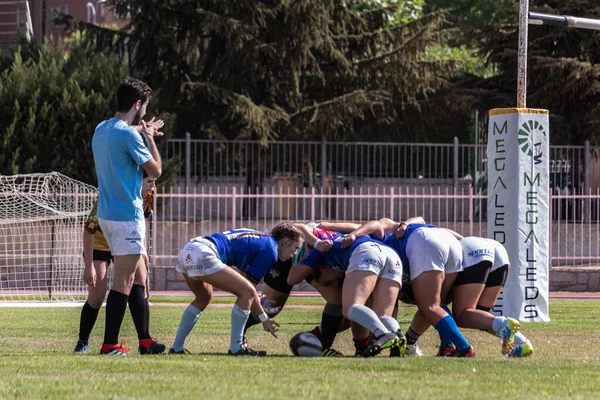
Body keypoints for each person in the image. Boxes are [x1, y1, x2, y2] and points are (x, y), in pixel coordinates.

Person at [92, 77, 162, 355]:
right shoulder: (131, 135)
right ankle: (110, 344)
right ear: (137, 104)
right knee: (123, 281)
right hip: (126, 217)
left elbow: (124, 129)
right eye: (144, 106)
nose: (145, 110)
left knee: (139, 277)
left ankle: (145, 341)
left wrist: (141, 128)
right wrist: (149, 137)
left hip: (107, 215)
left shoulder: (102, 128)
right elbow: (155, 171)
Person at [340, 219, 474, 357]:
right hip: (447, 240)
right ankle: (447, 346)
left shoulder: (378, 242)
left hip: (425, 242)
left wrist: (344, 231)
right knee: (439, 303)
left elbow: (381, 222)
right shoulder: (388, 238)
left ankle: (464, 347)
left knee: (430, 306)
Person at [168, 223, 303, 356]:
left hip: (188, 249)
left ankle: (176, 347)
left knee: (203, 297)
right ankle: (236, 348)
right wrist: (264, 318)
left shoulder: (261, 239)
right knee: (246, 293)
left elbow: (244, 280)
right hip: (204, 253)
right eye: (296, 248)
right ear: (286, 242)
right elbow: (249, 290)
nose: (294, 253)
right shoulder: (270, 251)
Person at [74, 172, 165, 354]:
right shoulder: (110, 196)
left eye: (154, 182)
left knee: (141, 281)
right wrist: (89, 265)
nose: (153, 186)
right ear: (135, 181)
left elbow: (141, 221)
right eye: (149, 181)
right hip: (100, 243)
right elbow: (89, 230)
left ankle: (145, 341)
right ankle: (82, 342)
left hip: (126, 242)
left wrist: (143, 249)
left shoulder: (147, 194)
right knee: (97, 295)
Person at [402, 236, 533, 357]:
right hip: (497, 251)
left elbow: (431, 307)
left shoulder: (421, 242)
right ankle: (521, 342)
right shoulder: (422, 235)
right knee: (478, 316)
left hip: (473, 251)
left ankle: (504, 323)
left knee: (462, 315)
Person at [242, 222, 350, 356]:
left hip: (314, 261)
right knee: (270, 308)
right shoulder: (340, 237)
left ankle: (317, 342)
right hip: (293, 256)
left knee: (345, 313)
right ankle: (239, 333)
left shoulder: (361, 242)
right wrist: (317, 243)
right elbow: (297, 226)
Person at [287, 234, 405, 358]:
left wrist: (308, 258)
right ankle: (398, 339)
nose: (335, 283)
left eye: (326, 281)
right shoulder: (337, 243)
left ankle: (383, 335)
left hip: (366, 253)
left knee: (350, 308)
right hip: (391, 255)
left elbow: (292, 278)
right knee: (382, 316)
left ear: (321, 267)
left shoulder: (319, 252)